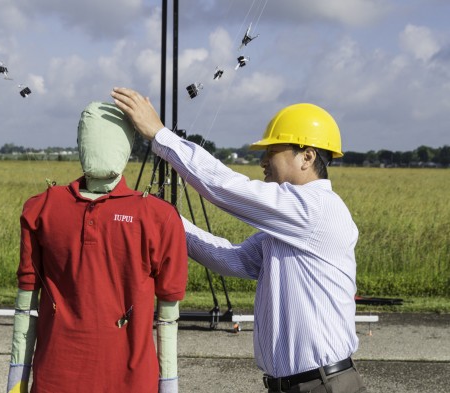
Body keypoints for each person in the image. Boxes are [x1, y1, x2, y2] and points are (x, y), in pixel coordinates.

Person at [111, 87, 367, 393]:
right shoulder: (292, 225)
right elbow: (235, 259)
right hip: (298, 386)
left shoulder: (316, 210)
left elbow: (226, 188)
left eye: (272, 151)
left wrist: (159, 135)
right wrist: (168, 219)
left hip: (323, 386)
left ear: (307, 156)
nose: (263, 162)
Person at [7, 101, 188, 393]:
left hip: (117, 382)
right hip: (62, 380)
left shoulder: (159, 217)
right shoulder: (41, 210)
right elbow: (168, 321)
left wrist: (15, 386)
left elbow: (24, 310)